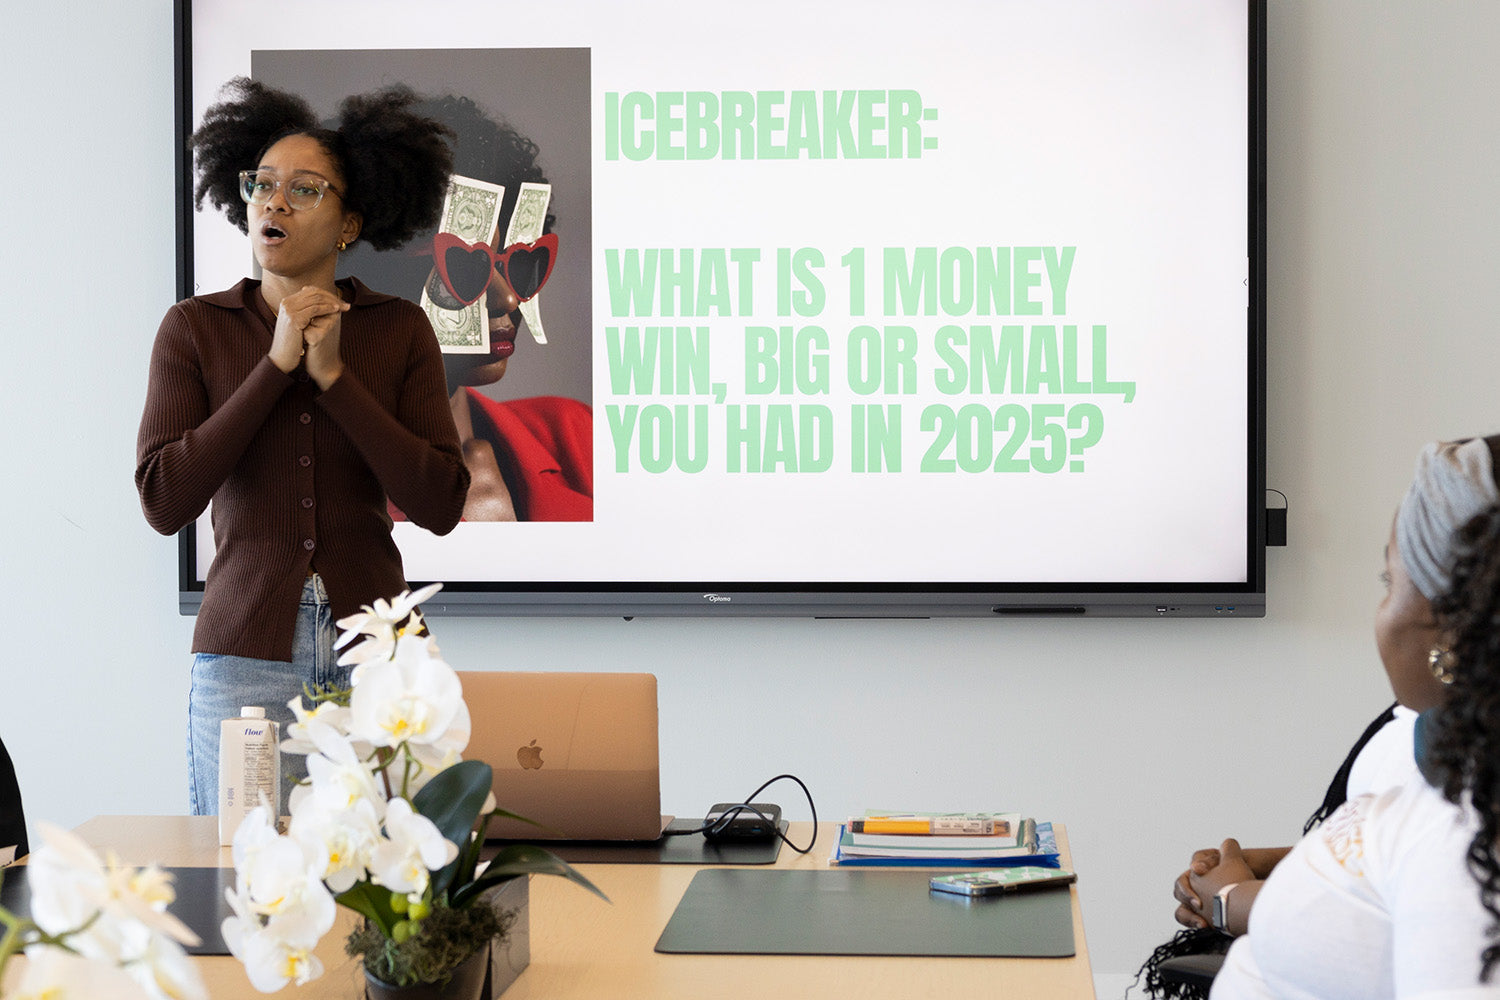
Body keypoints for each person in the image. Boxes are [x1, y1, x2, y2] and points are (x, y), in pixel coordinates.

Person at [135, 77, 470, 815]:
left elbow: (441, 503)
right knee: (241, 887)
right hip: (243, 662)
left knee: (387, 895)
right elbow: (165, 500)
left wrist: (334, 378)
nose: (273, 201)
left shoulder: (397, 329)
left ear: (350, 223)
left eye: (304, 189)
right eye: (261, 184)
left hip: (379, 657)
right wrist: (275, 367)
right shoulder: (195, 328)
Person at [1194, 437, 1500, 997]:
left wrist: (1229, 901)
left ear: (1453, 628)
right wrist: (1279, 863)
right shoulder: (1453, 762)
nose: (1380, 617)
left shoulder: (1470, 835)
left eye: (1390, 584)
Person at [351, 94, 592, 522]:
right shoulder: (310, 487)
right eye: (465, 268)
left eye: (518, 263)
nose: (509, 299)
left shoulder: (576, 434)